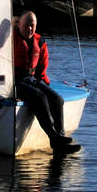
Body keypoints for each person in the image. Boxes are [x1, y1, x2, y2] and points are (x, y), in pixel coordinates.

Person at [13, 11, 80, 154]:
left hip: (31, 79)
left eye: (32, 26)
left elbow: (42, 69)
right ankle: (53, 138)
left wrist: (46, 86)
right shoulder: (11, 38)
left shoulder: (40, 41)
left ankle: (60, 138)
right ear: (19, 25)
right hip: (14, 80)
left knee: (56, 99)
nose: (29, 29)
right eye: (26, 25)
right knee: (39, 97)